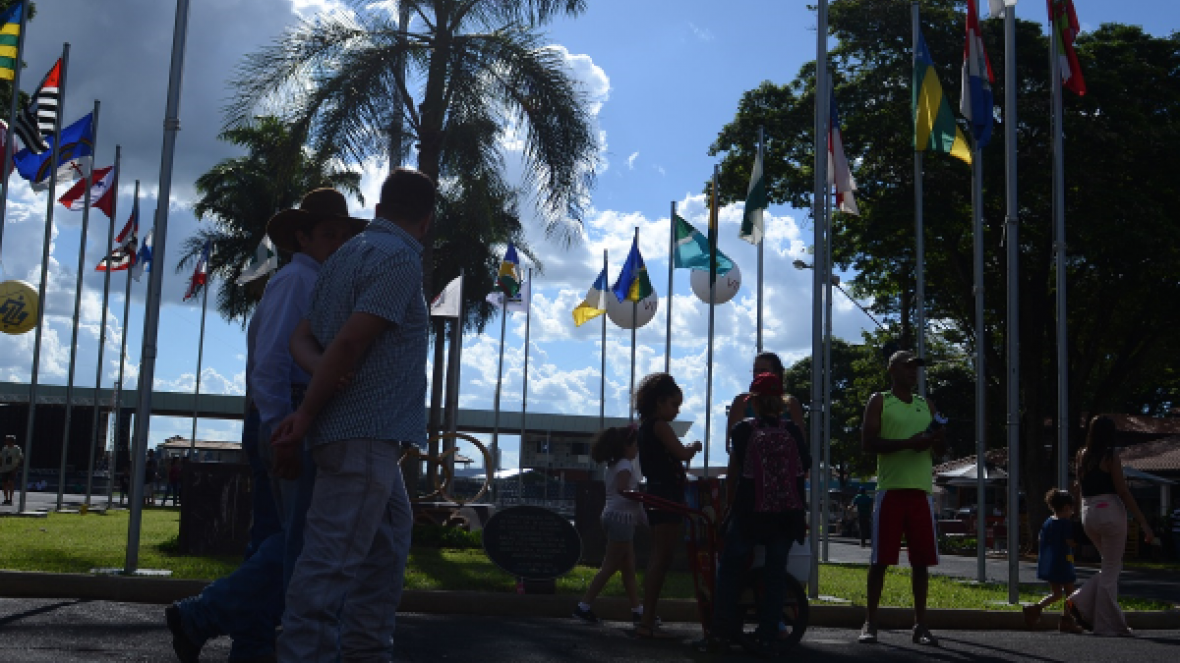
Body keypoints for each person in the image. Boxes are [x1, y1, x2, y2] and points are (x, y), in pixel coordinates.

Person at [165, 188, 363, 663]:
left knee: (274, 538)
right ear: (302, 237)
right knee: (300, 539)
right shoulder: (299, 281)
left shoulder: (306, 280)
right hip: (286, 415)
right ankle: (204, 614)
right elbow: (273, 362)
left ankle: (246, 644)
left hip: (284, 415)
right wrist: (281, 428)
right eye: (327, 234)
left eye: (341, 234)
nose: (336, 242)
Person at [271, 168, 435, 662]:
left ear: (380, 211)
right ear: (426, 221)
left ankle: (366, 652)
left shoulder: (341, 258)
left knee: (383, 556)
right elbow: (351, 341)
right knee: (329, 565)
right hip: (365, 430)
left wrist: (318, 375)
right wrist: (307, 412)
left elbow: (302, 337)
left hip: (366, 439)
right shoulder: (400, 258)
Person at [701, 372, 808, 656]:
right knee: (775, 576)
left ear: (755, 402)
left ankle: (720, 631)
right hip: (785, 517)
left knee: (730, 569)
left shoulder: (742, 430)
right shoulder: (793, 432)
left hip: (750, 515)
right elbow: (804, 466)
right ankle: (768, 634)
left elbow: (736, 469)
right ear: (782, 402)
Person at [857, 350, 945, 647]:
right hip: (891, 490)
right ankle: (871, 622)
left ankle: (921, 624)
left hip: (921, 491)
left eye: (916, 367)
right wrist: (910, 443)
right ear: (892, 369)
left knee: (921, 563)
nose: (913, 371)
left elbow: (939, 450)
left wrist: (934, 438)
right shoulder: (880, 400)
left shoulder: (926, 405)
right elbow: (868, 443)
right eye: (907, 366)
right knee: (880, 560)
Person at [1065, 415, 1155, 637]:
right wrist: (1144, 522)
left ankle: (1083, 605)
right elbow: (1122, 491)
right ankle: (1106, 624)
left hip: (1089, 513)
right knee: (1112, 569)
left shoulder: (1081, 455)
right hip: (1110, 512)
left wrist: (1076, 514)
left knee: (1108, 567)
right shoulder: (1111, 455)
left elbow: (1077, 487)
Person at [633, 372, 702, 639]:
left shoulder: (644, 427)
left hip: (656, 493)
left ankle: (647, 617)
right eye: (674, 405)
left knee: (657, 557)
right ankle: (647, 620)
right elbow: (682, 453)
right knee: (662, 558)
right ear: (660, 402)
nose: (676, 411)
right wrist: (694, 446)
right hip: (667, 496)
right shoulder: (660, 426)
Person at [572, 426, 648, 625]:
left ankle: (638, 610)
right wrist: (643, 498)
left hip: (614, 516)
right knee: (609, 566)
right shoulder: (625, 465)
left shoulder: (614, 464)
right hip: (621, 519)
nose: (637, 450)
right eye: (635, 445)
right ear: (626, 446)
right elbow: (624, 489)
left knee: (628, 567)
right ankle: (583, 606)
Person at [1023, 489, 1084, 633]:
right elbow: (1070, 542)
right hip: (1063, 563)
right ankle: (1067, 621)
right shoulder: (1065, 523)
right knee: (1071, 594)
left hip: (1049, 563)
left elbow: (1040, 539)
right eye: (1071, 509)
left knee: (1057, 594)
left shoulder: (1048, 521)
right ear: (1066, 507)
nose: (1072, 512)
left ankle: (1035, 608)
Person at [1, 434, 23, 506]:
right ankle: (6, 499)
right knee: (4, 484)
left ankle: (10, 499)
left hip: (12, 468)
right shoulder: (4, 449)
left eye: (8, 440)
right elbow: (1, 458)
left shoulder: (17, 449)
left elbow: (20, 458)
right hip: (4, 469)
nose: (6, 442)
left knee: (11, 483)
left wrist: (16, 468)